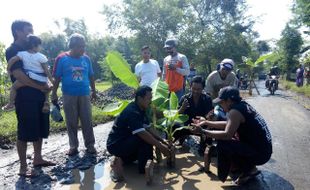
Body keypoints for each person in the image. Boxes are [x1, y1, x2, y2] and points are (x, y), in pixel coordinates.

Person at [191, 86, 272, 185]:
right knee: (230, 140)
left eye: (221, 102)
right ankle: (249, 168)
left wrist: (202, 131)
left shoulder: (234, 112)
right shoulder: (242, 105)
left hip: (260, 155)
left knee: (224, 143)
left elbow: (227, 135)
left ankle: (246, 170)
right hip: (264, 151)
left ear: (229, 100)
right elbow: (228, 124)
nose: (220, 105)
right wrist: (206, 122)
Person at [6, 20, 55, 177]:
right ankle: (22, 167)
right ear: (17, 32)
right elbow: (19, 75)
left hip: (41, 96)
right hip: (25, 97)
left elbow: (43, 69)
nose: (31, 32)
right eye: (28, 30)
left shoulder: (33, 48)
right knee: (25, 131)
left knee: (40, 127)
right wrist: (40, 87)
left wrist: (47, 84)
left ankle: (38, 158)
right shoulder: (13, 50)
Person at [106, 86, 170, 182]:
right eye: (149, 98)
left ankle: (122, 161)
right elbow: (142, 133)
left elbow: (149, 128)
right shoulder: (132, 111)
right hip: (116, 145)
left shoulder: (141, 108)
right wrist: (160, 147)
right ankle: (142, 169)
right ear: (140, 98)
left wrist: (163, 141)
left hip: (127, 141)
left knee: (147, 140)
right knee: (144, 138)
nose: (150, 101)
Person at [51, 33, 97, 156]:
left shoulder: (86, 59)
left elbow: (91, 75)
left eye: (84, 46)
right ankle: (73, 146)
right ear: (72, 46)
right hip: (69, 95)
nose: (83, 49)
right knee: (71, 121)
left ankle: (90, 145)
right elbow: (56, 78)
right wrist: (54, 93)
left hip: (84, 94)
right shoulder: (61, 59)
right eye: (80, 47)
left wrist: (94, 90)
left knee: (87, 120)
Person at [2, 34, 53, 112]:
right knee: (48, 88)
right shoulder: (41, 56)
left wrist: (8, 69)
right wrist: (51, 79)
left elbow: (12, 60)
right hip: (41, 79)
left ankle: (11, 103)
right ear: (34, 45)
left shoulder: (22, 54)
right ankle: (46, 102)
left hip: (29, 77)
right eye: (40, 45)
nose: (40, 47)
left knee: (14, 87)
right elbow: (46, 70)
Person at [174, 76, 213, 147]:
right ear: (190, 87)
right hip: (187, 126)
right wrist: (182, 108)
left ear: (203, 89)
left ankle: (206, 145)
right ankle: (179, 140)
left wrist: (202, 121)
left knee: (212, 126)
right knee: (174, 125)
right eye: (193, 88)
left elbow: (210, 114)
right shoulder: (185, 98)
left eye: (198, 89)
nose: (195, 91)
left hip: (201, 125)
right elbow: (177, 114)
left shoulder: (207, 99)